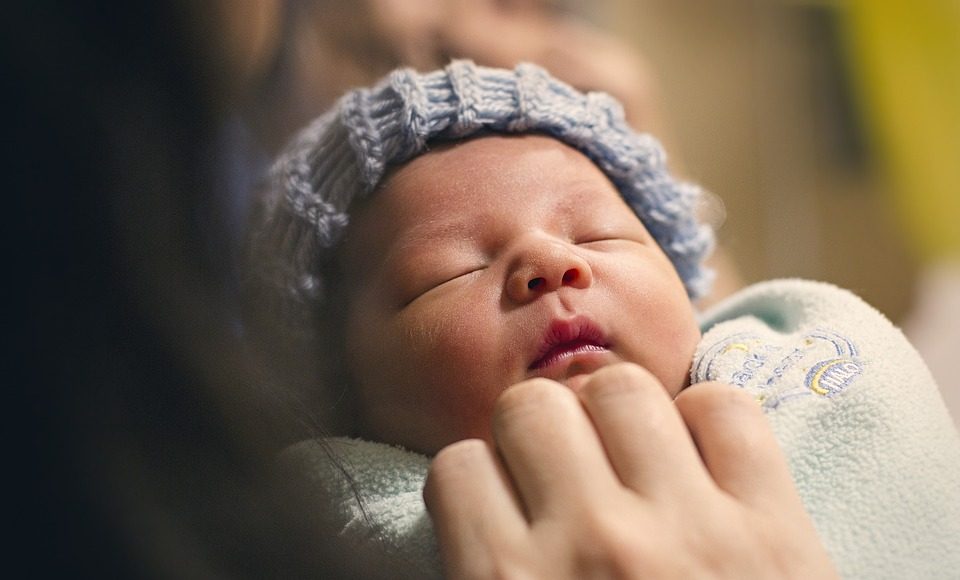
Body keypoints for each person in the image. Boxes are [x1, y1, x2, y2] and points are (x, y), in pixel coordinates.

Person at [247, 61, 960, 578]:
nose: (552, 263)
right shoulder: (336, 525)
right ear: (341, 397)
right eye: (447, 271)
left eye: (597, 236)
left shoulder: (782, 365)